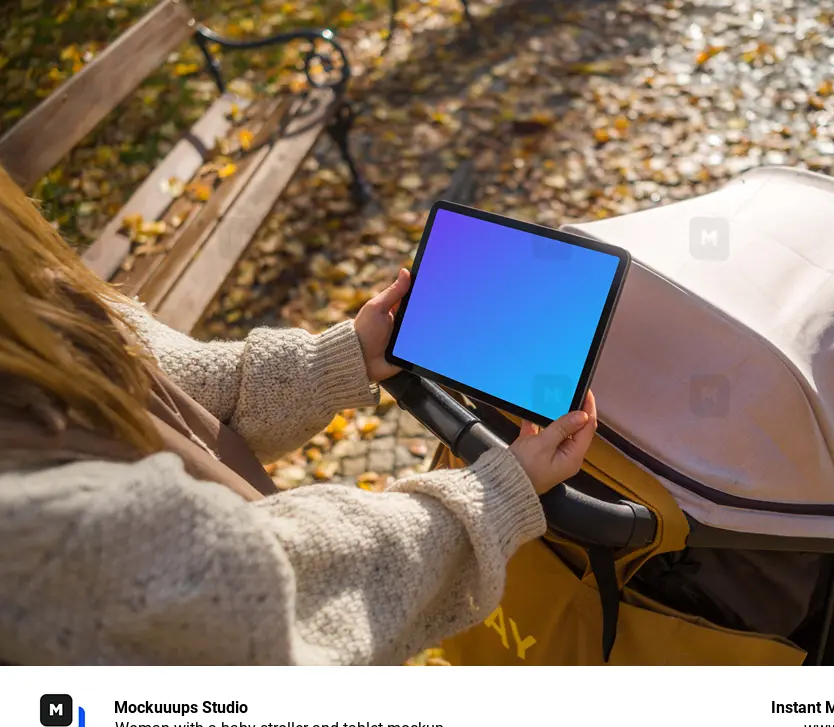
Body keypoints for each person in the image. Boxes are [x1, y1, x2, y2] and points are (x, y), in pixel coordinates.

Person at [0, 165, 598, 665]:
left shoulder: (30, 297)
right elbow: (293, 590)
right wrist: (499, 491)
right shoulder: (39, 534)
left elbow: (178, 386)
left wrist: (341, 358)